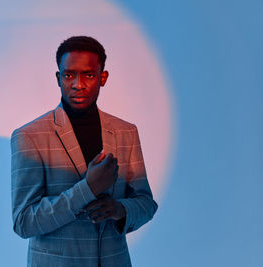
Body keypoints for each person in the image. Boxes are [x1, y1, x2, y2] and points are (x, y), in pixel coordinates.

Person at [11, 36, 158, 267]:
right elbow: (24, 221)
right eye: (69, 75)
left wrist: (120, 209)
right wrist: (87, 189)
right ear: (58, 79)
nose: (78, 84)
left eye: (88, 75)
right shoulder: (30, 136)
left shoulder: (125, 132)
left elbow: (146, 204)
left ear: (103, 77)